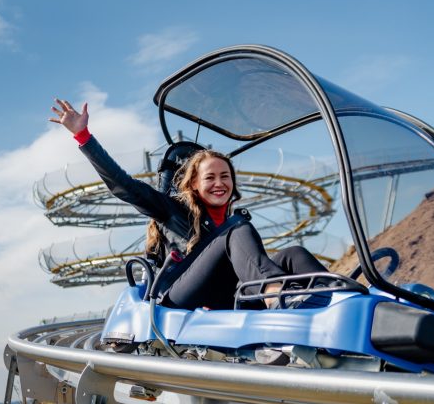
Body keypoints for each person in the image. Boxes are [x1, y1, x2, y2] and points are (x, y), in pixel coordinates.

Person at [50, 99, 328, 310]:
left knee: (294, 254)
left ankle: (337, 300)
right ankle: (276, 297)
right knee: (238, 229)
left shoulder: (229, 223)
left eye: (225, 176)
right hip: (178, 294)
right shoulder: (172, 210)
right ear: (193, 183)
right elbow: (124, 186)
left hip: (226, 291)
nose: (219, 183)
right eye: (210, 177)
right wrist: (83, 137)